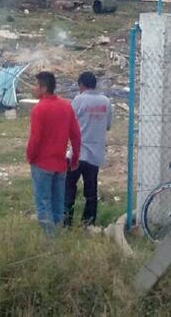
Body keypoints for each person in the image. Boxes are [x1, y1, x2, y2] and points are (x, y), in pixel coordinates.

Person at [26, 71, 82, 235]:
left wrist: (30, 156)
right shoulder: (65, 106)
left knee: (43, 203)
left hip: (42, 163)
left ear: (43, 88)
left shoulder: (39, 109)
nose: (33, 88)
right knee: (58, 203)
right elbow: (76, 135)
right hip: (60, 164)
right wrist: (75, 157)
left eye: (35, 85)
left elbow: (35, 138)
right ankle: (59, 234)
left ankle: (51, 241)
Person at [65, 72, 112, 227]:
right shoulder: (106, 101)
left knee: (70, 187)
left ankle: (67, 221)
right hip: (95, 154)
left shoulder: (79, 100)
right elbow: (108, 126)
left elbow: (70, 124)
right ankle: (88, 222)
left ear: (81, 85)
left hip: (78, 153)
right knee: (91, 191)